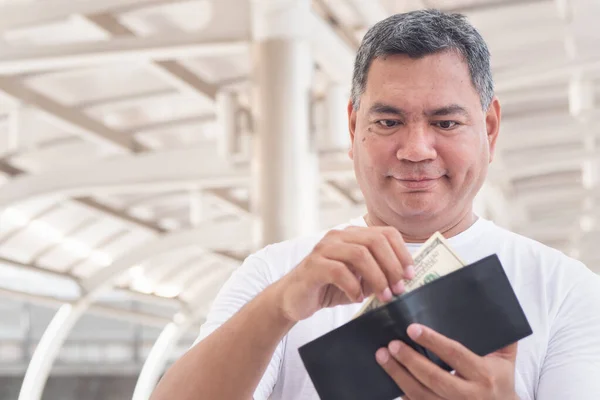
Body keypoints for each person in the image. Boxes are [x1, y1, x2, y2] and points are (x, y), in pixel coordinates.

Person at [150, 9, 600, 400]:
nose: (416, 148)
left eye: (445, 122)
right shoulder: (274, 274)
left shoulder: (565, 290)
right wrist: (278, 309)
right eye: (388, 121)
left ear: (489, 129)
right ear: (352, 128)